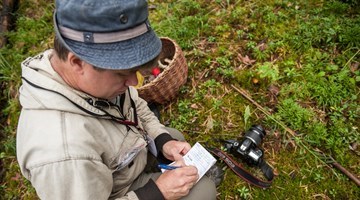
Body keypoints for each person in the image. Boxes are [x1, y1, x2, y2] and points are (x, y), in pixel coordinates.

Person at [16, 0, 218, 199]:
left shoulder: (89, 80)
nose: (133, 82)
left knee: (174, 138)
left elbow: (135, 105)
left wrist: (162, 141)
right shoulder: (63, 154)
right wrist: (157, 193)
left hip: (124, 163)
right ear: (77, 63)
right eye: (123, 74)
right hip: (114, 192)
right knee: (204, 191)